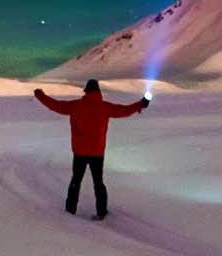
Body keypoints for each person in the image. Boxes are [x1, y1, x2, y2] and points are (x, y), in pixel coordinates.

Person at [33, 78, 149, 220]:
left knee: (76, 180)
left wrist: (40, 96)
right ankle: (102, 211)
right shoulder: (105, 107)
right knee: (98, 182)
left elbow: (55, 105)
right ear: (98, 92)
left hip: (80, 151)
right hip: (97, 152)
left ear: (86, 91)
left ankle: (70, 210)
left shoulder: (75, 106)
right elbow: (124, 110)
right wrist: (141, 104)